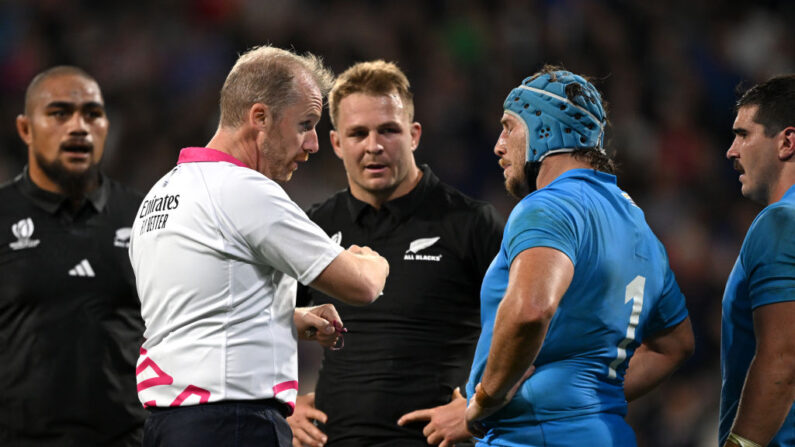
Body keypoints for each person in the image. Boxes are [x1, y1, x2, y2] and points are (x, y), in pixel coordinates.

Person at [128, 46, 389, 447]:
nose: (314, 144)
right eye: (305, 124)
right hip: (233, 424)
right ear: (260, 117)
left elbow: (198, 310)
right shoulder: (244, 190)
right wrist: (370, 261)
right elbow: (361, 286)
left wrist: (289, 316)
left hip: (169, 428)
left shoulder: (160, 195)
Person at [463, 66, 695, 446]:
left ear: (543, 129)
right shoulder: (641, 229)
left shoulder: (549, 206)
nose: (498, 145)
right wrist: (589, 402)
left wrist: (486, 400)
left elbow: (531, 309)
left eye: (509, 126)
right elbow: (675, 345)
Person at [287, 60, 504, 446]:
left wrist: (479, 405)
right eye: (358, 133)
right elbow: (261, 319)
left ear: (414, 135)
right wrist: (281, 400)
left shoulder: (470, 224)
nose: (374, 146)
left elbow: (534, 329)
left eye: (388, 130)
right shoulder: (314, 227)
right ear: (336, 143)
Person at [0, 66, 146, 445]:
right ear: (25, 129)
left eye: (92, 114)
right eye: (60, 113)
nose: (79, 127)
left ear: (106, 127)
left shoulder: (144, 216)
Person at [720, 75, 795, 447]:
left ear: (786, 141)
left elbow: (781, 361)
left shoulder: (779, 221)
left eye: (743, 134)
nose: (731, 151)